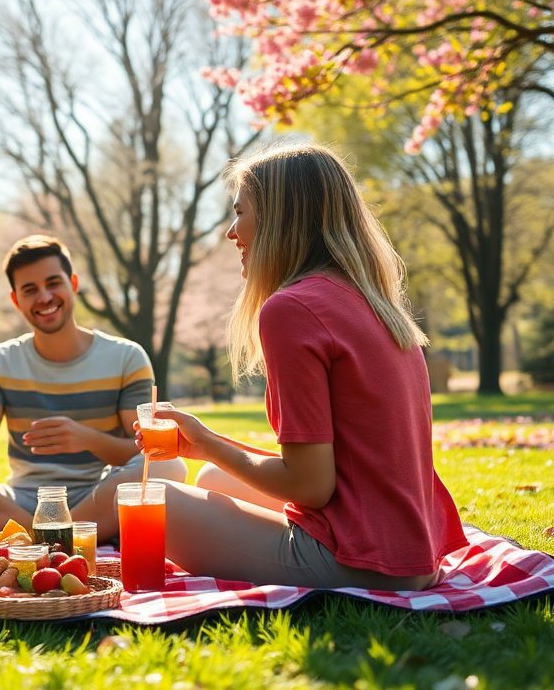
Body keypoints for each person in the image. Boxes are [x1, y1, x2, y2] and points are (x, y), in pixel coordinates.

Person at [144, 143, 466, 591]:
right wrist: (206, 445)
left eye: (241, 213)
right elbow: (338, 470)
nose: (231, 232)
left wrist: (208, 441)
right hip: (412, 549)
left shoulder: (292, 309)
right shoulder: (364, 297)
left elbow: (311, 486)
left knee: (156, 499)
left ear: (281, 218)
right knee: (215, 476)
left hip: (364, 562)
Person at [0, 235, 186, 542]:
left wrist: (87, 439)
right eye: (30, 289)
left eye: (53, 283)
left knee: (169, 466)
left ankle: (42, 538)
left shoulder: (126, 357)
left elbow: (144, 449)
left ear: (73, 283)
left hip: (94, 497)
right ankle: (55, 536)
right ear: (16, 300)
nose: (44, 297)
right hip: (21, 503)